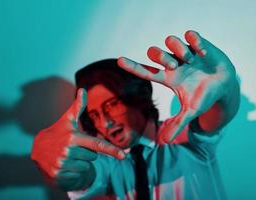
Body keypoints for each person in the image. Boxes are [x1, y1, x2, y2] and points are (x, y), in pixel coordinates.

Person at [31, 30, 240, 199]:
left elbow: (216, 116)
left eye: (111, 105)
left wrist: (225, 92)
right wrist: (54, 167)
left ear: (137, 96)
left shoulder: (182, 136)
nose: (105, 122)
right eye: (94, 115)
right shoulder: (107, 163)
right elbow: (81, 178)